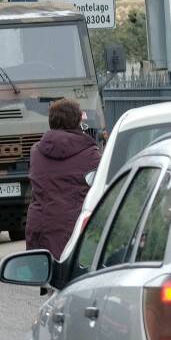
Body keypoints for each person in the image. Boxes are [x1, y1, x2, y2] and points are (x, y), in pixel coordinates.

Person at [25, 98, 101, 259]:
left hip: (40, 227)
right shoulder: (91, 154)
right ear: (78, 121)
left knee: (46, 276)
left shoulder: (36, 152)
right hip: (73, 227)